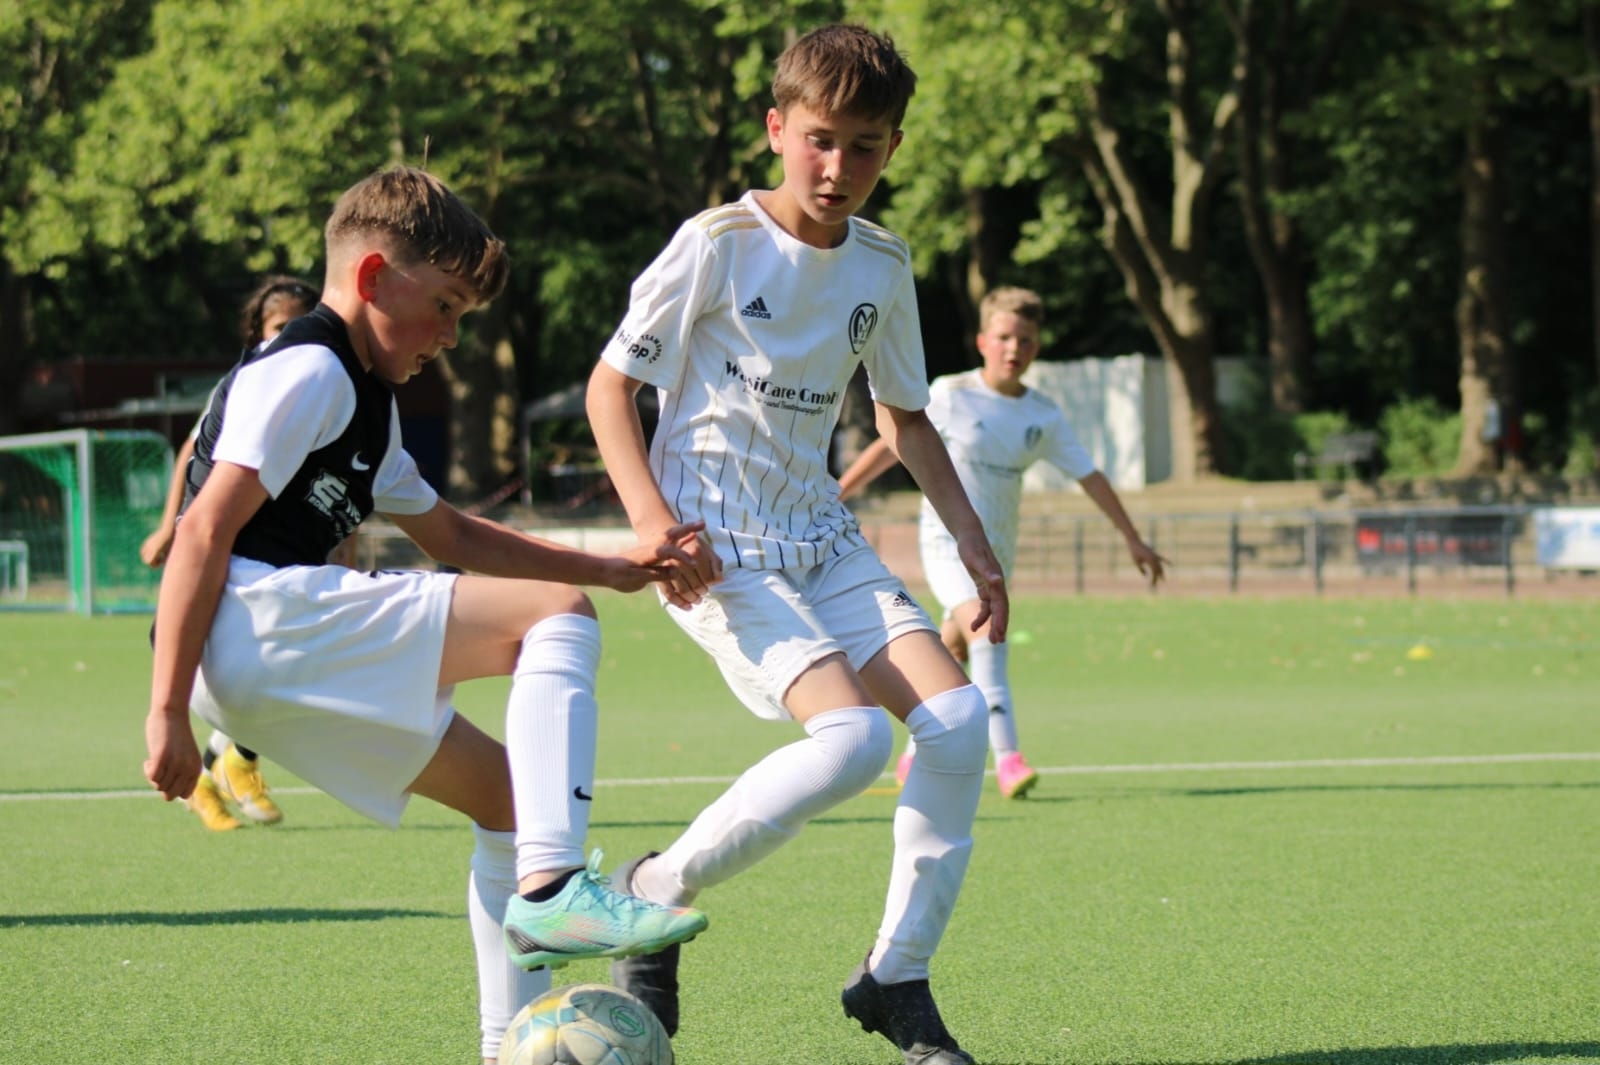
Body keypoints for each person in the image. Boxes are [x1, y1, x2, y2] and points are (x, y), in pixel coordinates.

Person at [141, 165, 710, 1064]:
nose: (449, 336)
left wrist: (609, 567)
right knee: (555, 616)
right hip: (260, 619)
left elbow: (451, 533)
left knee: (510, 799)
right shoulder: (314, 369)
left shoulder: (366, 401)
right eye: (444, 306)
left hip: (253, 660)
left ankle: (501, 1042)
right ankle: (555, 887)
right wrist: (164, 708)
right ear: (373, 277)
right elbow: (203, 529)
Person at [585, 25, 1005, 1065]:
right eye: (820, 139)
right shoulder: (717, 241)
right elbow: (610, 387)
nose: (837, 166)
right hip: (716, 546)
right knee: (855, 741)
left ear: (892, 148)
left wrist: (974, 543)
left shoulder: (883, 263)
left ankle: (895, 977)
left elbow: (903, 417)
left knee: (958, 723)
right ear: (777, 129)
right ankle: (652, 890)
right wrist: (652, 523)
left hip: (821, 532)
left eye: (864, 146)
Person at [838, 286, 1168, 799]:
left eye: (1026, 340)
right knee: (987, 635)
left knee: (952, 645)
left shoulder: (1043, 415)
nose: (1015, 349)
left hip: (997, 550)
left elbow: (1090, 476)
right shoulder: (951, 393)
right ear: (982, 342)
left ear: (1037, 347)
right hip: (947, 541)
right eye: (1005, 337)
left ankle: (914, 753)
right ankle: (1009, 758)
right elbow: (894, 442)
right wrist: (839, 491)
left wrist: (1134, 539)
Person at [141, 275, 322, 832]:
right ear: (257, 332)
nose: (288, 333)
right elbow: (192, 451)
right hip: (231, 548)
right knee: (245, 658)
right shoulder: (250, 380)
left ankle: (225, 762)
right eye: (278, 325)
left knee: (287, 660)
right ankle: (222, 764)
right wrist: (170, 527)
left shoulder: (325, 381)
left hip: (289, 550)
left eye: (299, 323)